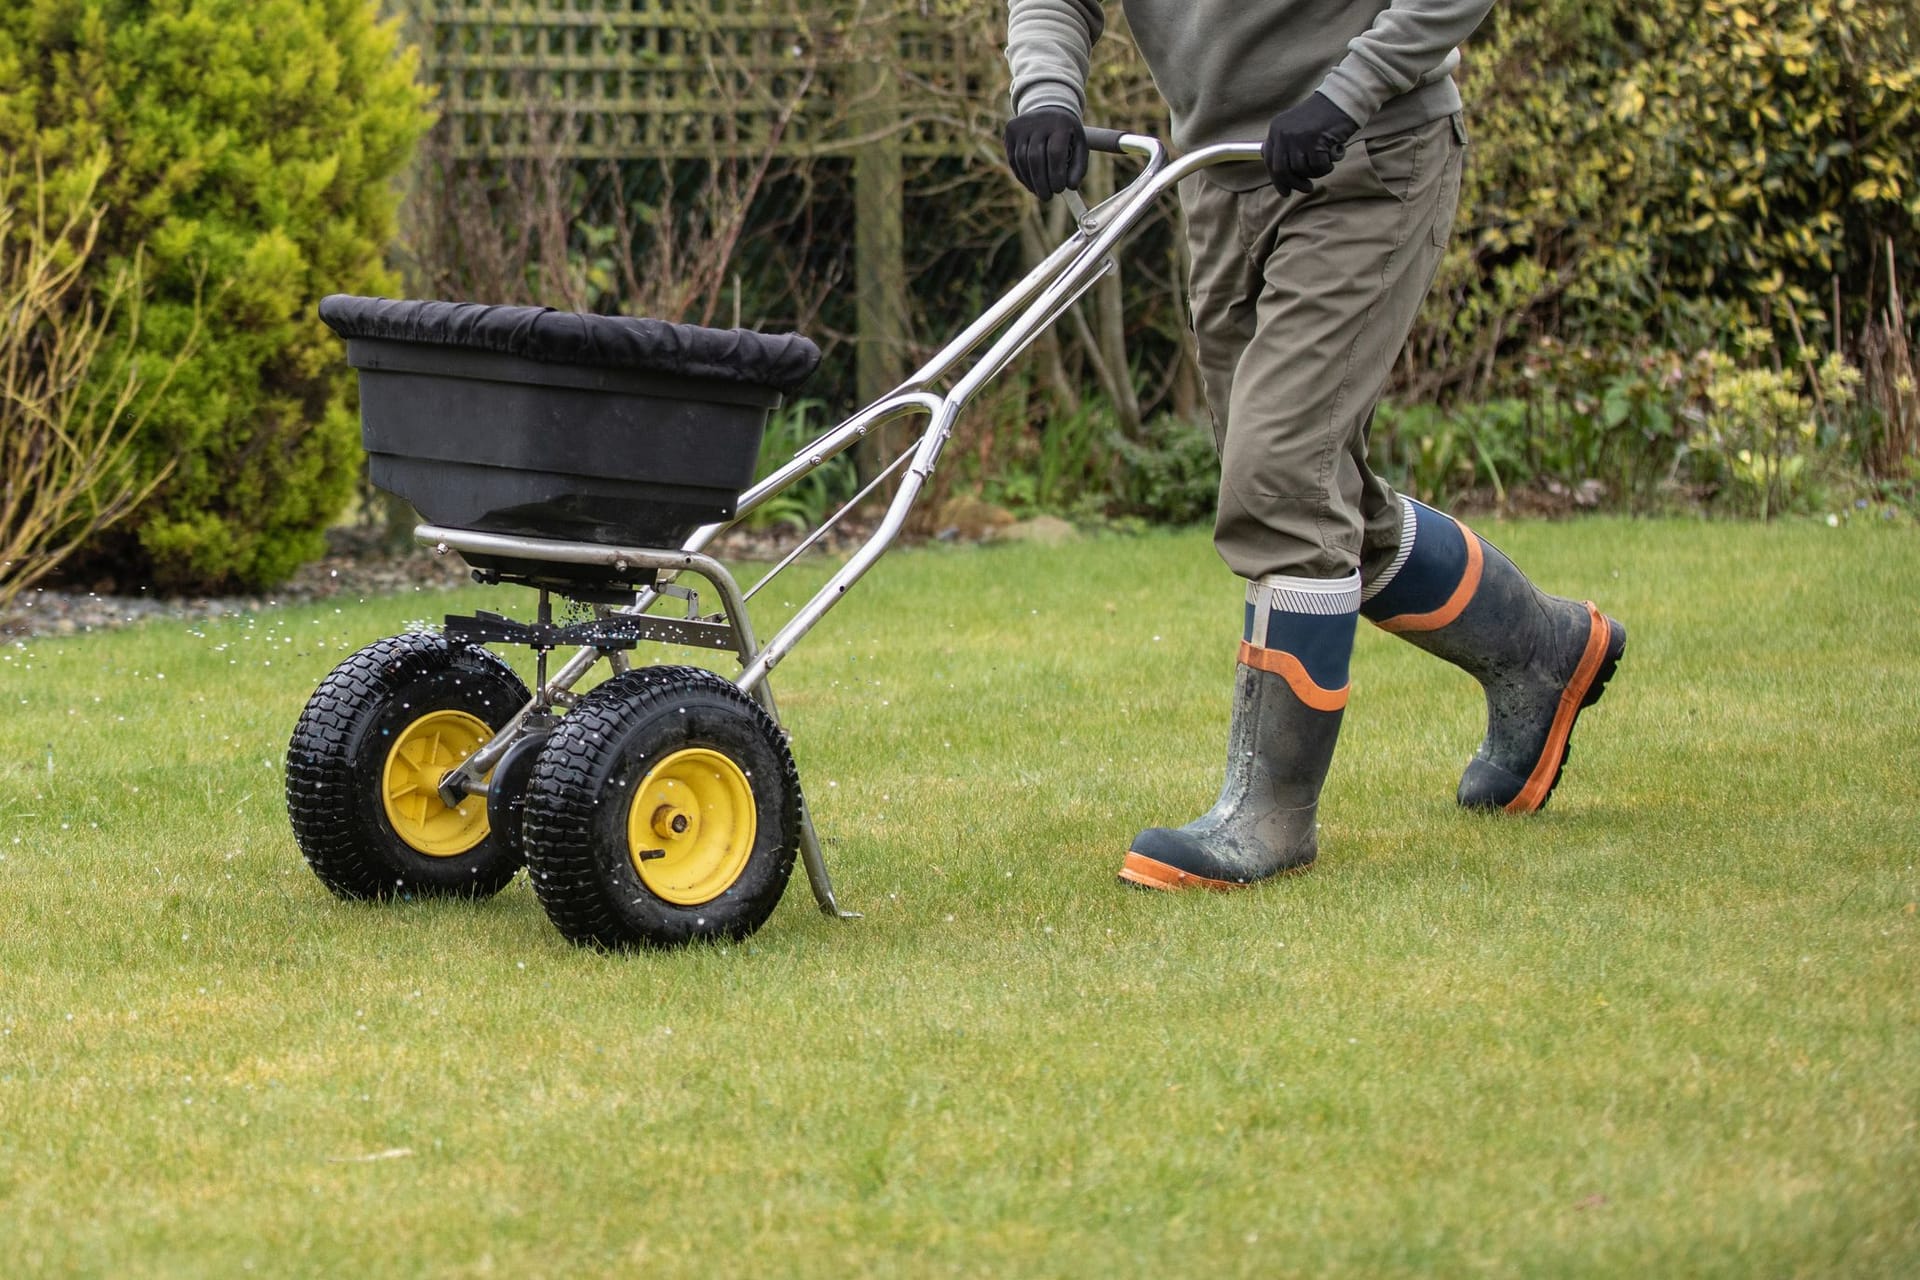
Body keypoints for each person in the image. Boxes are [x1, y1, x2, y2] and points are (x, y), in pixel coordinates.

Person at [1003, 0, 1627, 891]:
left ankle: (1267, 817)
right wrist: (1047, 92)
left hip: (1369, 154)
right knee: (1306, 492)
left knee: (1282, 478)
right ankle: (1542, 652)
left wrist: (1348, 92)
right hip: (1220, 174)